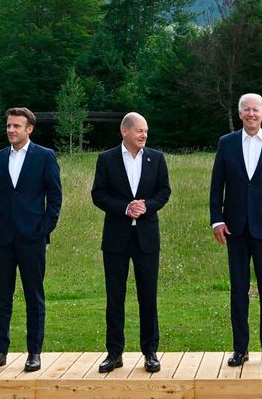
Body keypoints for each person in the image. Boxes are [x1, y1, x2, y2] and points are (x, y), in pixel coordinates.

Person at [209, 93, 262, 368]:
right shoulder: (227, 143)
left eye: (256, 110)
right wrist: (216, 220)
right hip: (235, 228)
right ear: (240, 113)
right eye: (246, 109)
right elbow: (216, 185)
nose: (251, 114)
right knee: (238, 289)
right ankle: (240, 349)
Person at [0, 107, 62, 372]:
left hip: (32, 238)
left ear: (29, 129)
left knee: (33, 297)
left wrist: (44, 228)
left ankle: (34, 353)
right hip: (2, 238)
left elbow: (55, 196)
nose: (11, 130)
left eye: (16, 126)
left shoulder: (45, 157)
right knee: (0, 297)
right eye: (8, 126)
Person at [91, 112, 171, 373]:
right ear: (124, 131)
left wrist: (146, 206)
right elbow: (98, 194)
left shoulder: (156, 159)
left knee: (148, 296)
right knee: (115, 297)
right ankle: (114, 353)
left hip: (147, 238)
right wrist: (125, 207)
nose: (144, 135)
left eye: (146, 130)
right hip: (116, 239)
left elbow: (164, 191)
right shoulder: (107, 159)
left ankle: (150, 352)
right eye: (139, 130)